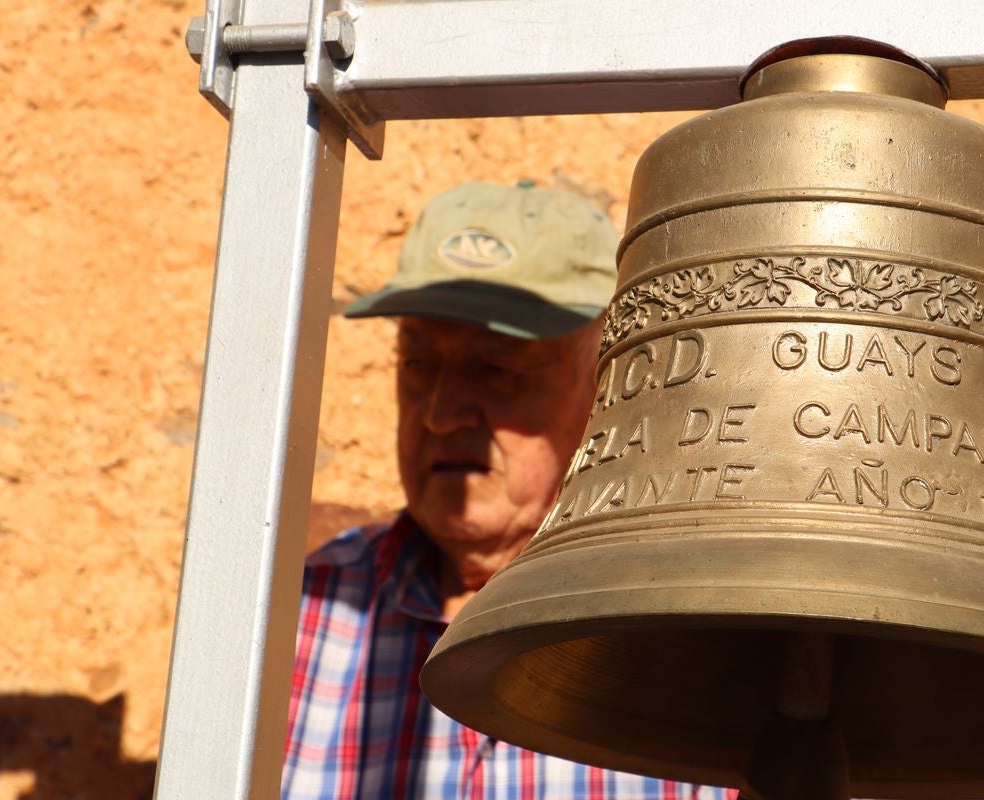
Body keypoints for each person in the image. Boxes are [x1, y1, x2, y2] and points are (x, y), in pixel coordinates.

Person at [282, 181, 732, 799]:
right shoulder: (299, 622)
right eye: (418, 364)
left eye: (497, 368)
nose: (441, 415)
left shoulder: (698, 645)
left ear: (609, 384)